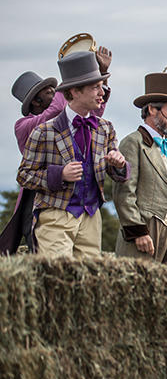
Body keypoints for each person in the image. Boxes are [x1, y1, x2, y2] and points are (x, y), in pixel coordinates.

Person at [17, 51, 128, 258]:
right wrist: (59, 175)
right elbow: (24, 175)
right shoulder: (43, 131)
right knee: (59, 281)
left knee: (88, 284)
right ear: (75, 91)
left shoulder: (105, 128)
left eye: (101, 86)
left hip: (91, 217)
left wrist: (119, 164)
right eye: (95, 87)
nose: (102, 92)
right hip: (55, 216)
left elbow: (119, 174)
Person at [113, 73, 167, 262]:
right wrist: (137, 232)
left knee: (165, 289)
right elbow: (124, 193)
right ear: (152, 109)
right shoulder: (132, 142)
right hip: (144, 233)